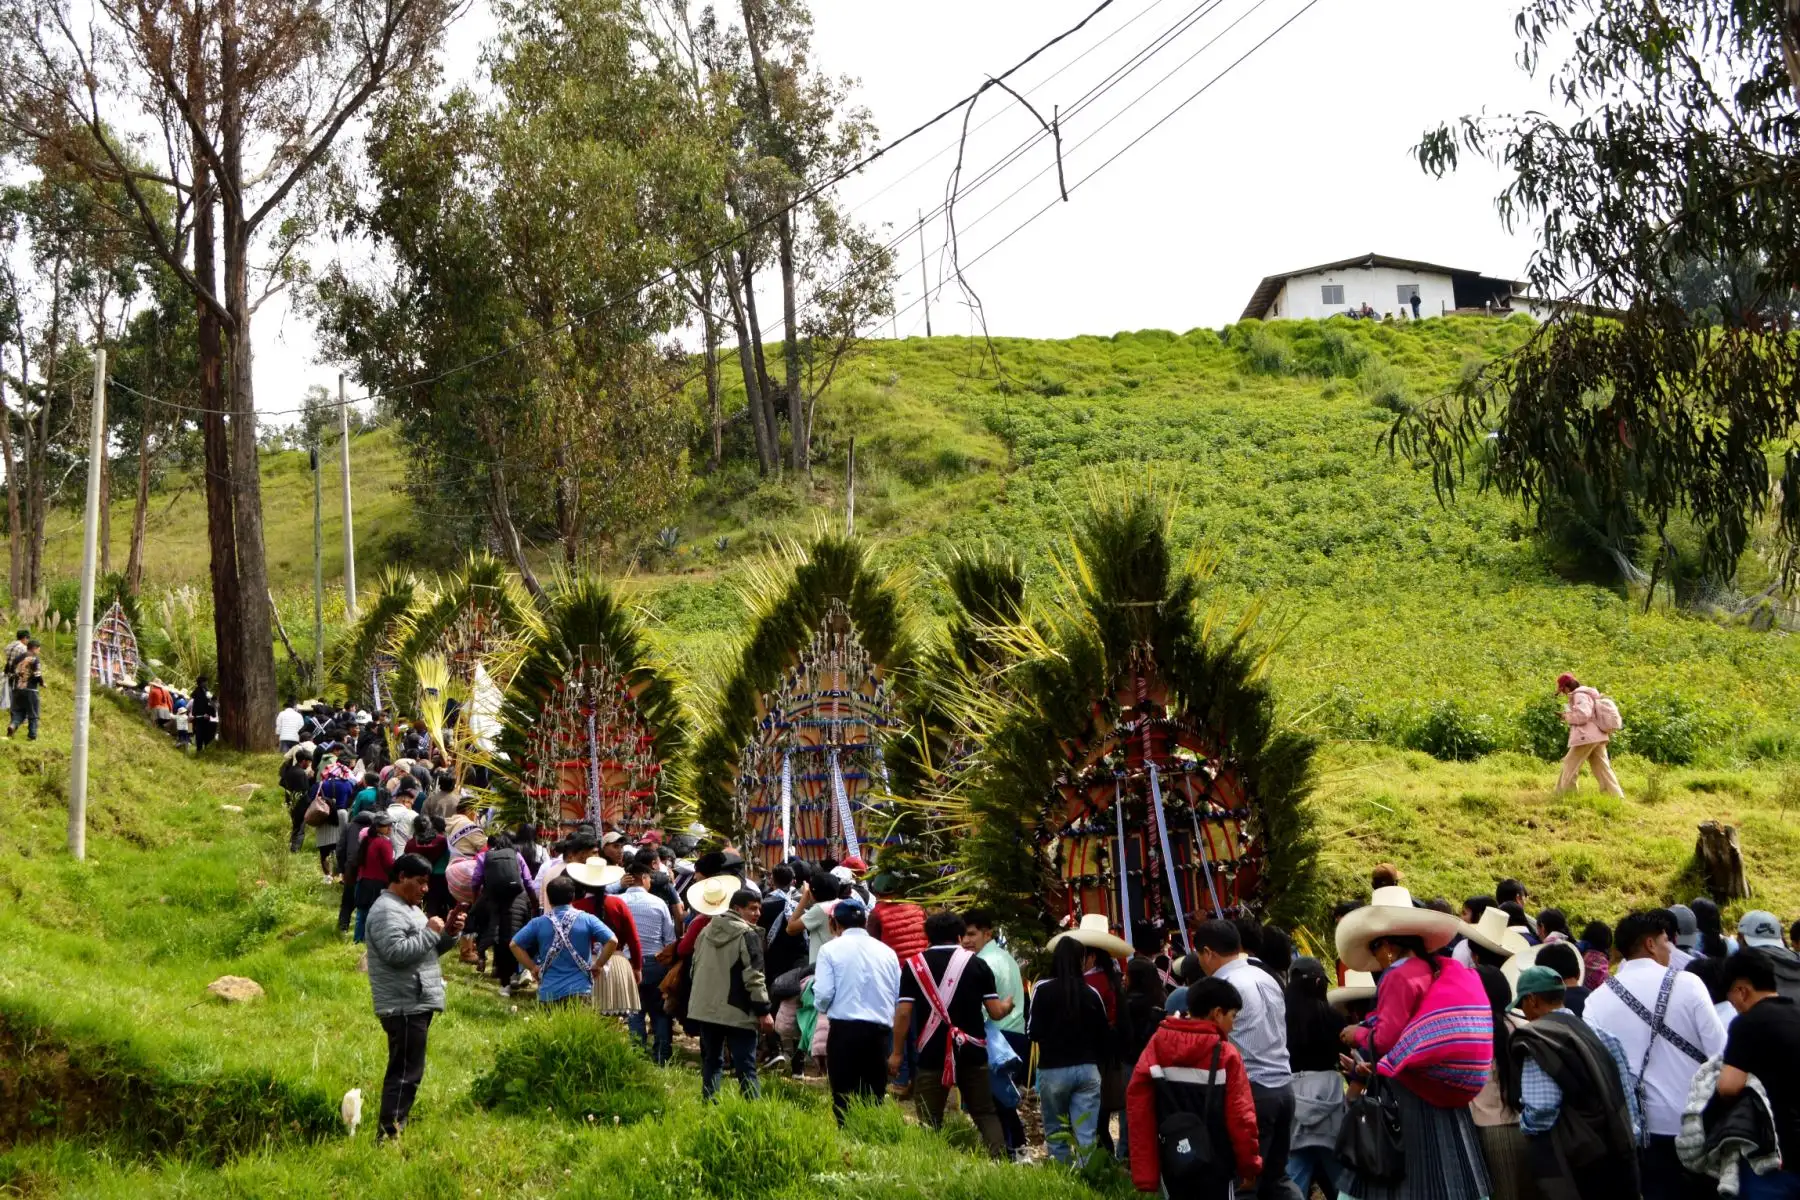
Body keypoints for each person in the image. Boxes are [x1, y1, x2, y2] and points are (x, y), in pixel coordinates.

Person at [1335, 884, 1493, 1200]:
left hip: (1410, 1099)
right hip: (1445, 1098)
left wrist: (1358, 1034)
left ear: (1389, 945)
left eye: (1375, 947)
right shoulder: (1436, 969)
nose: (1376, 957)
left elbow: (1387, 1038)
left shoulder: (1399, 975)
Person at [1582, 911, 1725, 1200]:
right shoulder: (1688, 984)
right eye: (1664, 942)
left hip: (1636, 1129)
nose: (1669, 950)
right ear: (1649, 943)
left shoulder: (1595, 1001)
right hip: (1696, 1122)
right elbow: (1720, 1053)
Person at [1510, 964, 1642, 1199]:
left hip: (1575, 1162)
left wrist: (1525, 1126)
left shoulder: (1539, 1040)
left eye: (1522, 1005)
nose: (1525, 1014)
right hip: (1615, 1152)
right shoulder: (1601, 1034)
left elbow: (1542, 1108)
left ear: (1532, 1000)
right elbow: (1626, 1095)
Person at [1126, 976, 1263, 1197]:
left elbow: (1139, 1112)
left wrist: (1145, 1176)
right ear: (1217, 1013)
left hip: (1172, 1162)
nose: (1233, 1024)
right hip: (1216, 1165)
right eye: (1233, 1016)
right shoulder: (1226, 1055)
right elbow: (1241, 1118)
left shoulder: (1157, 1045)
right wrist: (1249, 1166)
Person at [893, 910, 1013, 1158]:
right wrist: (1008, 1005)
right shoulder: (977, 964)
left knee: (928, 1116)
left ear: (928, 936)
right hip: (972, 1050)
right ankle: (998, 1158)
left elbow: (904, 1013)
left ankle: (931, 1163)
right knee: (984, 1112)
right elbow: (996, 1012)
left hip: (930, 1052)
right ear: (959, 936)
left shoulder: (914, 966)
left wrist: (896, 1053)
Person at [364, 852, 464, 1140]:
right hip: (403, 1004)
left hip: (416, 1000)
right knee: (405, 1073)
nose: (425, 889)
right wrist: (431, 931)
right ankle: (388, 1135)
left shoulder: (409, 908)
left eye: (427, 883)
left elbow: (426, 950)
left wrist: (448, 932)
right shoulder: (386, 910)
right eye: (420, 882)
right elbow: (396, 954)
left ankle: (393, 1129)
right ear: (401, 877)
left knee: (408, 1070)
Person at [1192, 918, 1294, 1200]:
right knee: (1277, 1179)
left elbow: (1210, 1042)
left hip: (1252, 1092)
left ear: (1209, 953)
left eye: (1200, 955)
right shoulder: (1266, 978)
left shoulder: (1222, 988)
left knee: (1244, 1183)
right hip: (1284, 1087)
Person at [1715, 950, 1800, 1199]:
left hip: (1772, 1154)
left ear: (1742, 989)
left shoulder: (1748, 1023)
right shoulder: (1797, 1014)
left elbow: (1728, 1087)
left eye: (1731, 999)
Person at [813, 896, 900, 1124]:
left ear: (834, 924)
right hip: (880, 1031)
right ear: (865, 923)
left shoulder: (829, 950)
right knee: (874, 1096)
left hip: (845, 1030)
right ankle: (871, 1143)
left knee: (843, 1094)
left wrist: (824, 1007)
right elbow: (897, 994)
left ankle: (847, 1144)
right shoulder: (887, 952)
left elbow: (822, 995)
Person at [687, 881, 774, 1101]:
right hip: (739, 1010)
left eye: (759, 908)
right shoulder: (748, 935)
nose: (757, 913)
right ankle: (752, 1112)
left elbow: (693, 969)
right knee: (746, 1066)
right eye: (752, 908)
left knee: (712, 1061)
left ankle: (709, 1106)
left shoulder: (705, 931)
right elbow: (755, 977)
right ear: (737, 909)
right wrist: (764, 1010)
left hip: (706, 1009)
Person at [1030, 936, 1112, 1165]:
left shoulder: (1042, 989)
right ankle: (1090, 1178)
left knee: (1056, 1132)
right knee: (1086, 1133)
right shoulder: (1091, 993)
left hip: (1053, 1069)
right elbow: (1104, 1036)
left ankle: (1064, 1177)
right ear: (1082, 960)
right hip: (1087, 1069)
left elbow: (1032, 1032)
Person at [963, 908, 1029, 1154]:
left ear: (987, 933)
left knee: (996, 1102)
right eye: (963, 935)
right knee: (1004, 1101)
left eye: (972, 934)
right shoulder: (1005, 957)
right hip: (1014, 1034)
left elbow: (982, 1009)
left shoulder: (984, 962)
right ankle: (1017, 1147)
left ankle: (1012, 1150)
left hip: (998, 1037)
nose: (967, 940)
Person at [1284, 957, 1347, 1199]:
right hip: (1329, 1097)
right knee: (1342, 1178)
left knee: (1294, 1174)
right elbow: (1344, 1058)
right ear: (1319, 982)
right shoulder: (1332, 1017)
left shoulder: (1279, 1016)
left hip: (1292, 1096)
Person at [510, 875, 616, 1005]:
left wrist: (532, 967)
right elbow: (612, 941)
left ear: (549, 898)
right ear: (573, 896)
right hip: (580, 990)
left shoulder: (538, 923)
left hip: (549, 991)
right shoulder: (587, 919)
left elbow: (514, 944)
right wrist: (599, 965)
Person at [618, 852, 678, 1064]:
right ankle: (662, 1056)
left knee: (634, 1011)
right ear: (643, 878)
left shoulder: (617, 901)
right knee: (659, 1012)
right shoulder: (658, 903)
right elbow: (669, 938)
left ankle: (637, 1056)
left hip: (626, 963)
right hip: (655, 962)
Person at [1554, 673, 1624, 796]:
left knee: (1570, 764)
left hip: (1586, 736)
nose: (1563, 693)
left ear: (1567, 687)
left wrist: (1566, 716)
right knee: (1602, 767)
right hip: (1598, 735)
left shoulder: (1579, 695)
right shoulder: (1587, 694)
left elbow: (1583, 715)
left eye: (1563, 690)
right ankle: (1614, 796)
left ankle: (1565, 794)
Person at [355, 812, 397, 943]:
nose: (390, 828)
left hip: (363, 881)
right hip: (377, 883)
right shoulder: (383, 843)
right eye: (386, 826)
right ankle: (369, 941)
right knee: (373, 914)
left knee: (361, 914)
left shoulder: (367, 839)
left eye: (391, 825)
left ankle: (358, 939)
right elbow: (389, 864)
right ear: (378, 827)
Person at [6, 639, 42, 740]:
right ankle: (32, 736)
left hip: (17, 690)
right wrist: (42, 683)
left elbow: (10, 672)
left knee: (18, 712)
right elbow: (37, 674)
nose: (39, 651)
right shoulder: (34, 659)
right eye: (39, 649)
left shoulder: (17, 658)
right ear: (34, 648)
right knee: (33, 713)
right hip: (31, 690)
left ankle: (12, 725)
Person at [190, 675, 217, 752]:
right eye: (205, 682)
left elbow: (211, 701)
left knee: (206, 734)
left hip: (206, 717)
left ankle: (206, 748)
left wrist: (209, 713)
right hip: (199, 717)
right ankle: (199, 749)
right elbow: (200, 705)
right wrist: (203, 713)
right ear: (201, 683)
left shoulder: (206, 690)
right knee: (199, 734)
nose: (206, 683)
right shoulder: (198, 692)